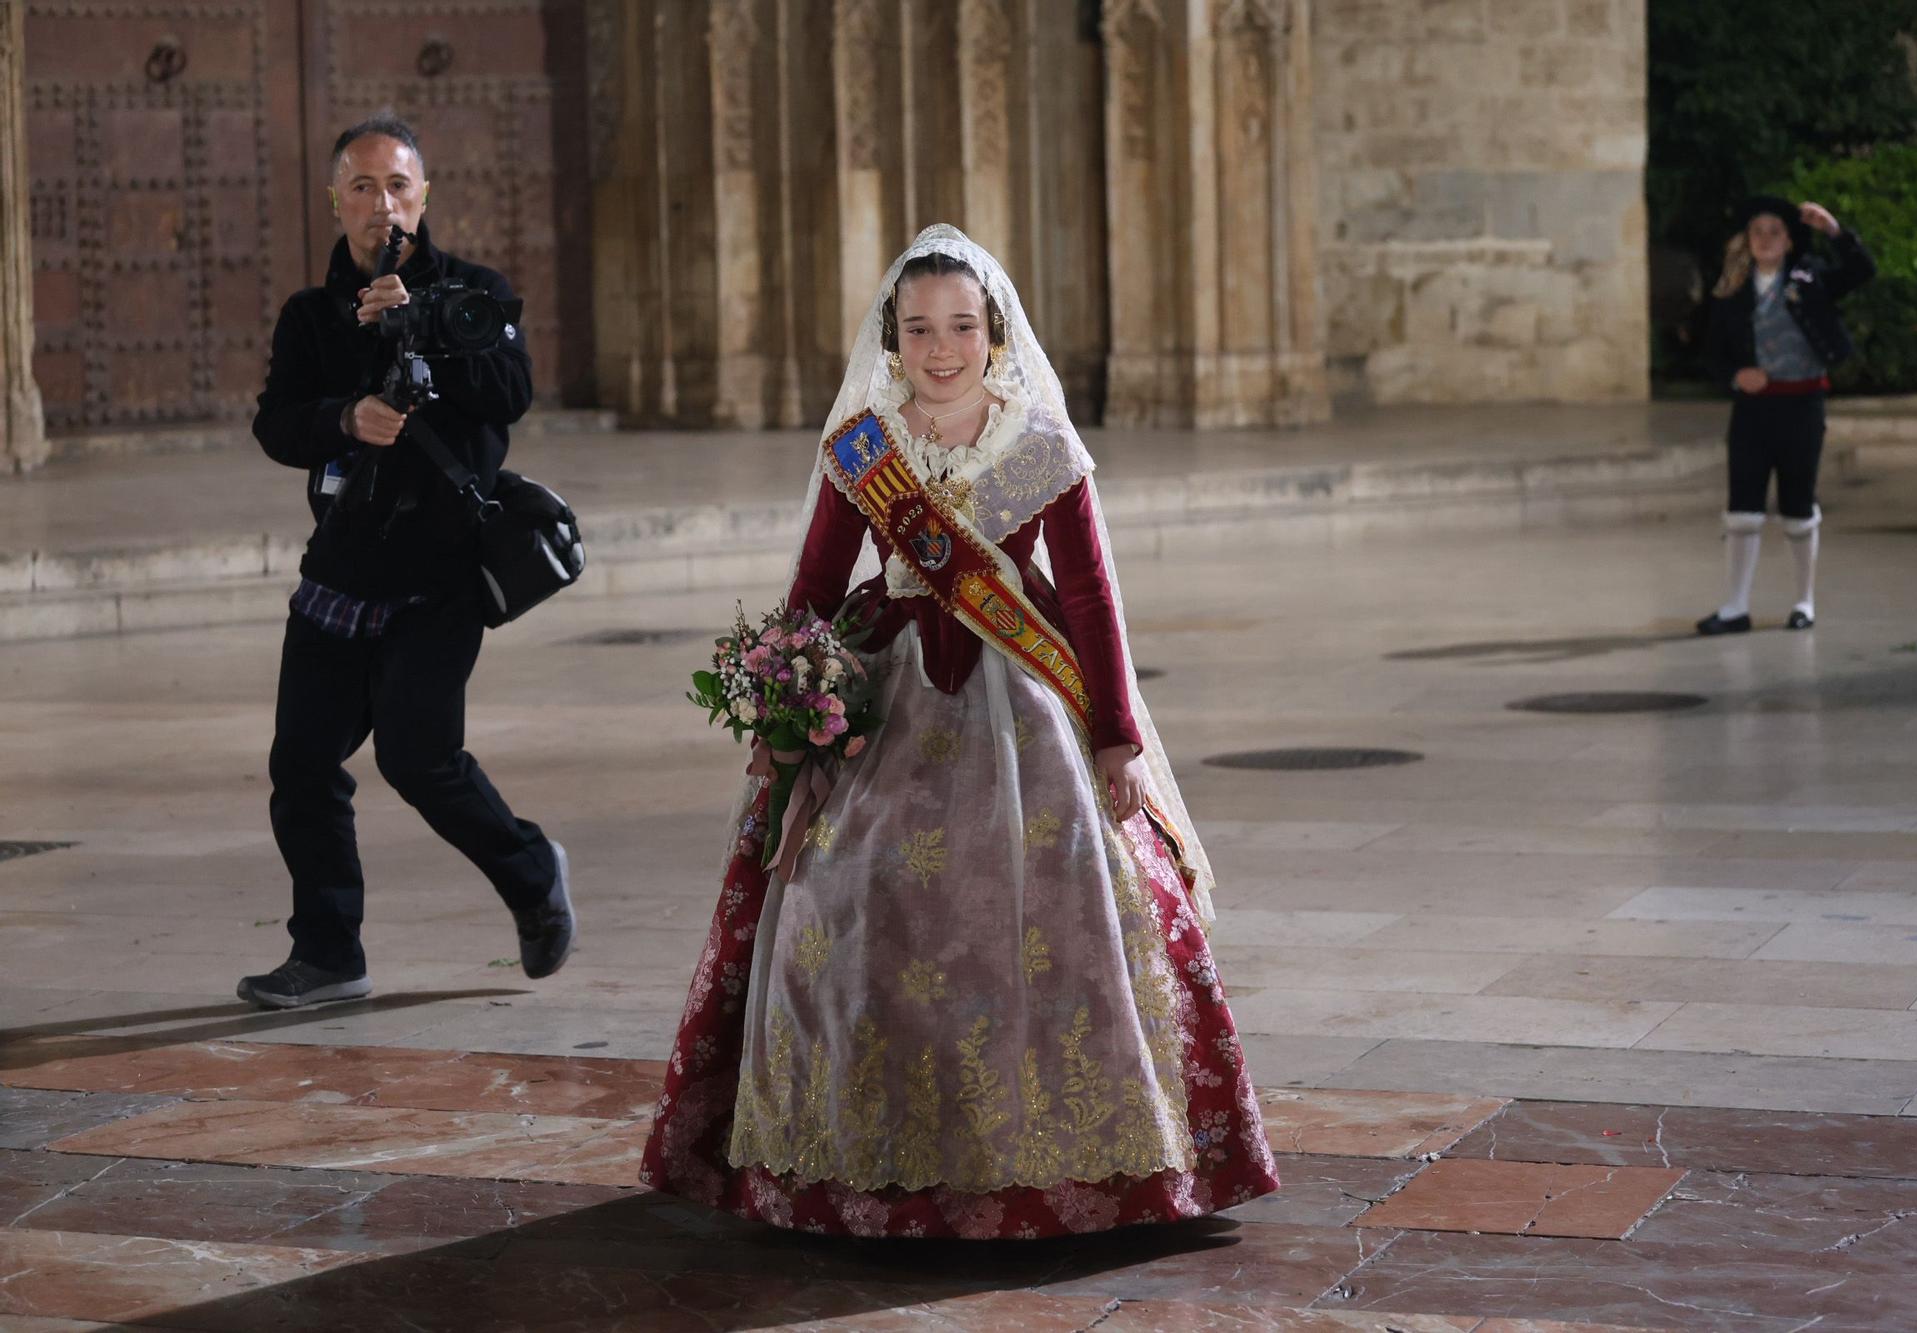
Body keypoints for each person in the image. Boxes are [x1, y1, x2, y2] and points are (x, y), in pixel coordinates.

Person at [638, 225, 1279, 1238]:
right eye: (919, 328)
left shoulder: (1039, 445)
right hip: (886, 697)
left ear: (995, 335)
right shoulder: (864, 448)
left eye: (962, 326)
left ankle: (1078, 1164)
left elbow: (1091, 597)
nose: (941, 347)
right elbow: (812, 585)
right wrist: (783, 712)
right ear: (890, 341)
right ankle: (858, 1169)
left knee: (1059, 885)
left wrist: (1114, 735)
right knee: (854, 891)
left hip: (1021, 700)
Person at [239, 114, 573, 1008]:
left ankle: (532, 871)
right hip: (340, 570)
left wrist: (422, 329)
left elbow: (512, 393)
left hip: (440, 572)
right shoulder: (311, 317)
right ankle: (328, 954)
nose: (379, 204)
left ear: (423, 197)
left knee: (420, 758)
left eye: (396, 186)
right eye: (361, 187)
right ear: (334, 202)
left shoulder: (473, 293)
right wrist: (344, 419)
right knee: (301, 764)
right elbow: (277, 422)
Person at [1698, 195, 1874, 635]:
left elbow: (1861, 272)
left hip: (1802, 405)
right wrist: (1738, 377)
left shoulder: (1809, 277)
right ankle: (1735, 606)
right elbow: (1711, 355)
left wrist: (1835, 231)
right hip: (1753, 410)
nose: (1765, 240)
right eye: (1757, 232)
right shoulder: (1732, 289)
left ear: (1789, 239)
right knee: (1743, 509)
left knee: (1798, 507)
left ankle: (1804, 601)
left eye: (1774, 231)